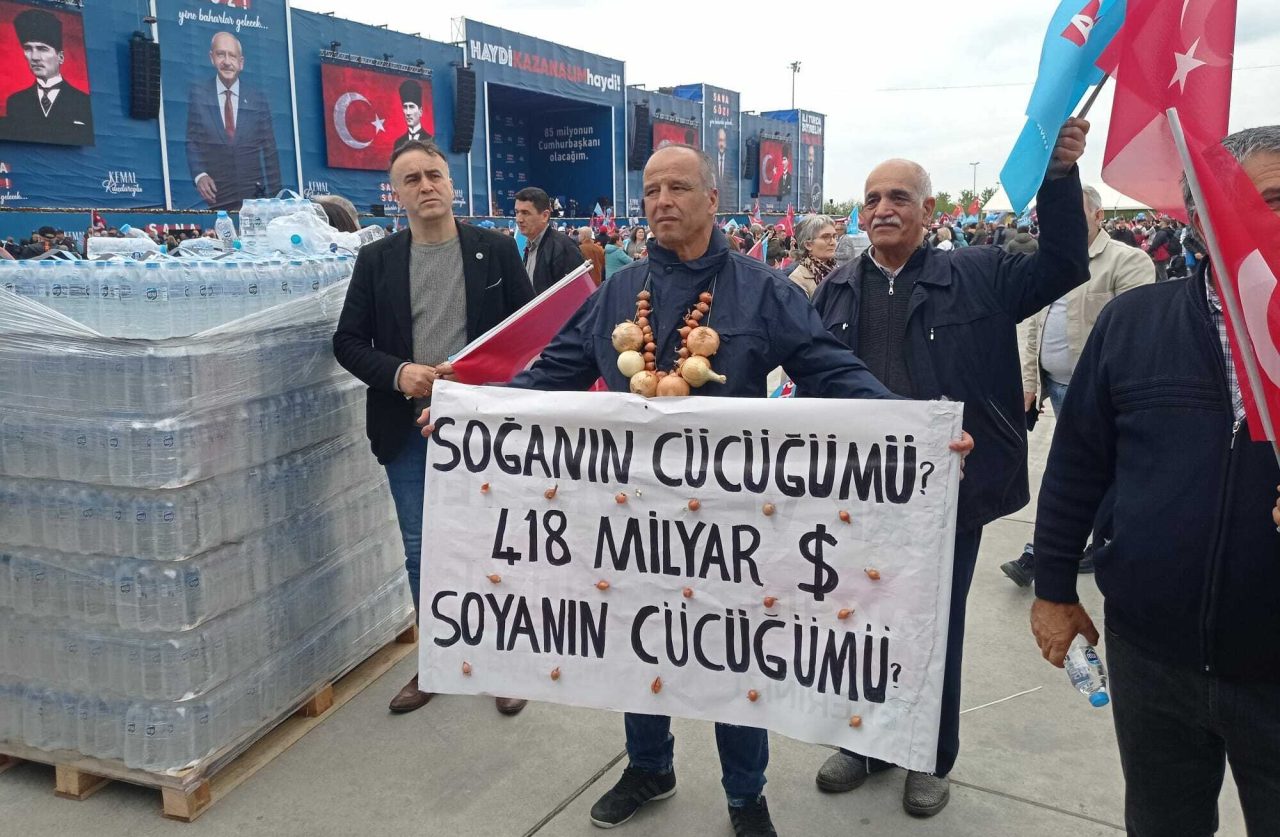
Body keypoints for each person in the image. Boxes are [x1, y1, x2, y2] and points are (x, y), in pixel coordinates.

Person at [421, 143, 973, 837]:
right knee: (637, 643)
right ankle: (649, 767)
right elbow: (553, 372)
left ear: (713, 200)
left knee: (732, 656)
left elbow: (830, 368)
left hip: (732, 526)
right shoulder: (618, 292)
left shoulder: (763, 290)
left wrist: (913, 431)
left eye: (678, 187)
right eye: (651, 189)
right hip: (631, 519)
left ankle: (746, 797)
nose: (661, 201)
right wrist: (471, 417)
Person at [810, 118, 1091, 818]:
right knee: (855, 620)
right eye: (872, 198)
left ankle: (928, 756)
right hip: (856, 495)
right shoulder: (836, 287)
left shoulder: (982, 274)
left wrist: (1058, 178)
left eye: (899, 197)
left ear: (928, 210)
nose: (882, 209)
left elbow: (1063, 263)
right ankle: (864, 743)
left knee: (932, 626)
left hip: (949, 495)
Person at [1030, 125, 1280, 837]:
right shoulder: (1135, 323)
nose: (1259, 220)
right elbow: (1077, 465)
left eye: (1275, 200)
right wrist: (1053, 589)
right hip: (1152, 656)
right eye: (1238, 202)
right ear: (1197, 216)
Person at [332, 139, 533, 716]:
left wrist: (483, 378)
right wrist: (400, 373)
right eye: (412, 179)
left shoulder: (496, 251)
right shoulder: (376, 261)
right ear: (396, 194)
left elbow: (528, 335)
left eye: (434, 175)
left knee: (497, 548)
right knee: (424, 552)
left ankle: (502, 663)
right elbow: (347, 342)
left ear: (451, 183)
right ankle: (439, 659)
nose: (426, 186)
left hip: (487, 429)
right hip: (408, 429)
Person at [1000, 184, 1155, 588]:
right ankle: (1087, 542)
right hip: (1055, 387)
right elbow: (1031, 327)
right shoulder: (1045, 264)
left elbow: (1135, 332)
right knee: (1086, 473)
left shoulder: (1127, 261)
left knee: (1074, 474)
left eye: (1074, 211)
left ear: (1098, 216)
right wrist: (1029, 383)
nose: (1062, 220)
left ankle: (1043, 553)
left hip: (1099, 395)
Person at [186, 32, 283, 211]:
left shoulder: (257, 99)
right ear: (212, 58)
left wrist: (276, 199)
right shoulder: (199, 95)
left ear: (241, 62)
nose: (227, 61)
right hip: (215, 197)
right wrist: (200, 175)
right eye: (221, 54)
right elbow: (192, 141)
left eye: (232, 56)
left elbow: (269, 150)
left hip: (254, 196)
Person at [0, 7, 93, 146]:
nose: (35, 57)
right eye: (28, 48)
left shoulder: (83, 102)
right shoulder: (16, 102)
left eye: (42, 49)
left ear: (60, 57)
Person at [514, 186, 583, 293]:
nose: (519, 219)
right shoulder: (529, 246)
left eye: (525, 213)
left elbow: (577, 294)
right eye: (517, 212)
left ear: (545, 216)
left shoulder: (564, 248)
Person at [787, 214, 837, 298]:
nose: (833, 242)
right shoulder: (797, 279)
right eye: (826, 237)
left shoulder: (838, 270)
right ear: (808, 245)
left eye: (834, 236)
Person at [392, 80, 430, 149]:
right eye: (405, 107)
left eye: (411, 107)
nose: (408, 113)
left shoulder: (430, 141)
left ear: (420, 111)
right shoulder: (399, 143)